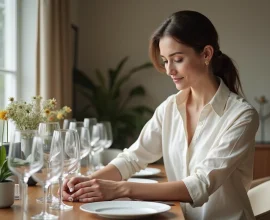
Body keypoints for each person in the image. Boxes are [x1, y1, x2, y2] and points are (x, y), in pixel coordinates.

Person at [62, 10, 259, 220]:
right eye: (165, 61)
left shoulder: (242, 116)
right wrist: (86, 184)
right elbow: (133, 158)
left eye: (178, 59)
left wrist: (119, 189)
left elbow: (200, 184)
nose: (169, 70)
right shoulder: (170, 108)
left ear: (206, 54)